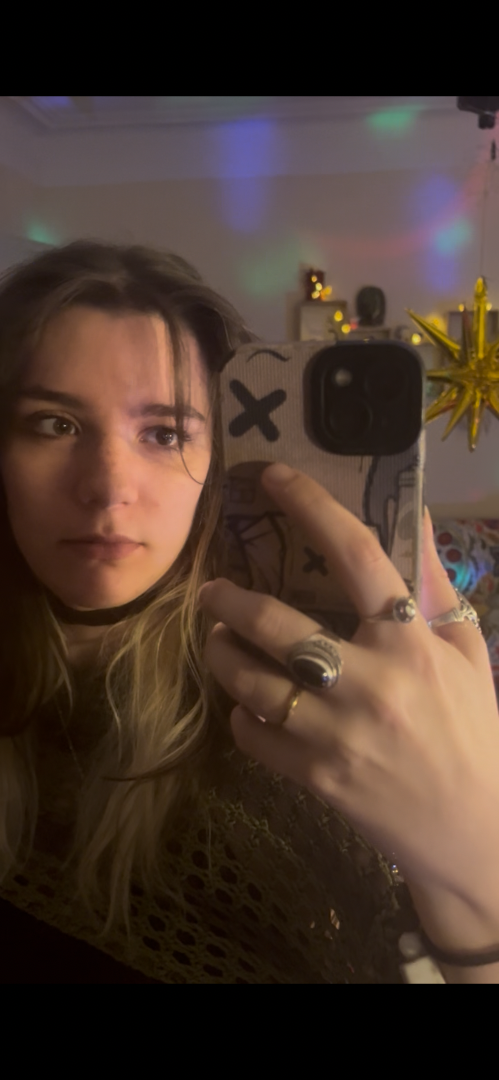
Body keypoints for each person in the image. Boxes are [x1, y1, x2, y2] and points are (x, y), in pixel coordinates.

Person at [0, 240, 497, 984]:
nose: (107, 487)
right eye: (54, 424)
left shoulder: (276, 717)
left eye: (164, 433)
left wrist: (479, 877)